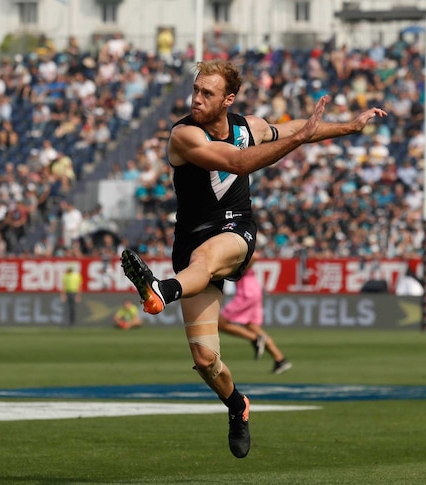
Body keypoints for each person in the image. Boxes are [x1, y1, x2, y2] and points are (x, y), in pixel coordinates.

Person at [120, 59, 386, 459]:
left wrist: (348, 126)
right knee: (206, 360)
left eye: (207, 93)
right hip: (189, 246)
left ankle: (160, 290)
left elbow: (297, 128)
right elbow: (239, 162)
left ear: (228, 99)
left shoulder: (250, 127)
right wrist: (301, 137)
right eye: (195, 90)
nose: (196, 98)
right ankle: (236, 405)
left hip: (235, 232)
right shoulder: (183, 136)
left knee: (208, 257)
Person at [217, 253, 291, 374]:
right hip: (253, 290)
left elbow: (255, 256)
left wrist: (242, 268)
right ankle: (280, 359)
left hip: (247, 293)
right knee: (251, 326)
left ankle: (255, 339)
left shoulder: (238, 247)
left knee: (220, 322)